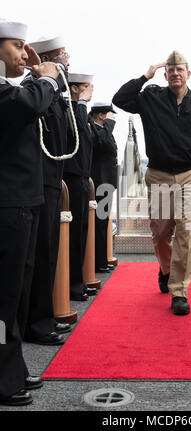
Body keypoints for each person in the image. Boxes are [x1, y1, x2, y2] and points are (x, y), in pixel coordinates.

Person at [113, 51, 191, 315]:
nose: (175, 74)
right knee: (161, 233)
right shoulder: (151, 97)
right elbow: (120, 99)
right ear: (165, 74)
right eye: (170, 70)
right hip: (159, 175)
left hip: (189, 175)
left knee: (187, 232)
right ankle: (166, 269)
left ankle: (179, 291)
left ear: (188, 73)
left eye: (180, 69)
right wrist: (144, 76)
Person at [0, 18, 60, 405]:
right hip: (7, 204)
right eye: (18, 45)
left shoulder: (11, 88)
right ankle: (3, 380)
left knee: (17, 296)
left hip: (22, 201)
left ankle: (12, 368)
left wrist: (42, 78)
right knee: (3, 300)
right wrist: (50, 77)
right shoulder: (11, 94)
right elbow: (30, 102)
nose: (25, 53)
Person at [17, 36, 71, 346]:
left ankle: (42, 316)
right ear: (48, 59)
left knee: (46, 253)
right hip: (39, 178)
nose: (67, 63)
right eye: (62, 57)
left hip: (51, 177)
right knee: (38, 255)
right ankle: (36, 324)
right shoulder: (34, 87)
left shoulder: (55, 92)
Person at [63, 73, 95, 301]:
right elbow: (78, 134)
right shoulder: (70, 111)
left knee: (81, 233)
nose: (90, 91)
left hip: (83, 177)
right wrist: (82, 103)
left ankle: (78, 281)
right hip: (72, 177)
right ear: (74, 89)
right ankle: (71, 285)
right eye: (85, 87)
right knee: (73, 236)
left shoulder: (80, 112)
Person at [89, 102, 118, 273]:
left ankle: (100, 259)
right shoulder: (95, 130)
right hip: (100, 182)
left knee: (101, 223)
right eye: (110, 115)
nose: (113, 118)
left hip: (105, 183)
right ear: (101, 115)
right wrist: (109, 124)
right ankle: (98, 262)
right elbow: (104, 144)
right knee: (98, 223)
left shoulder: (101, 130)